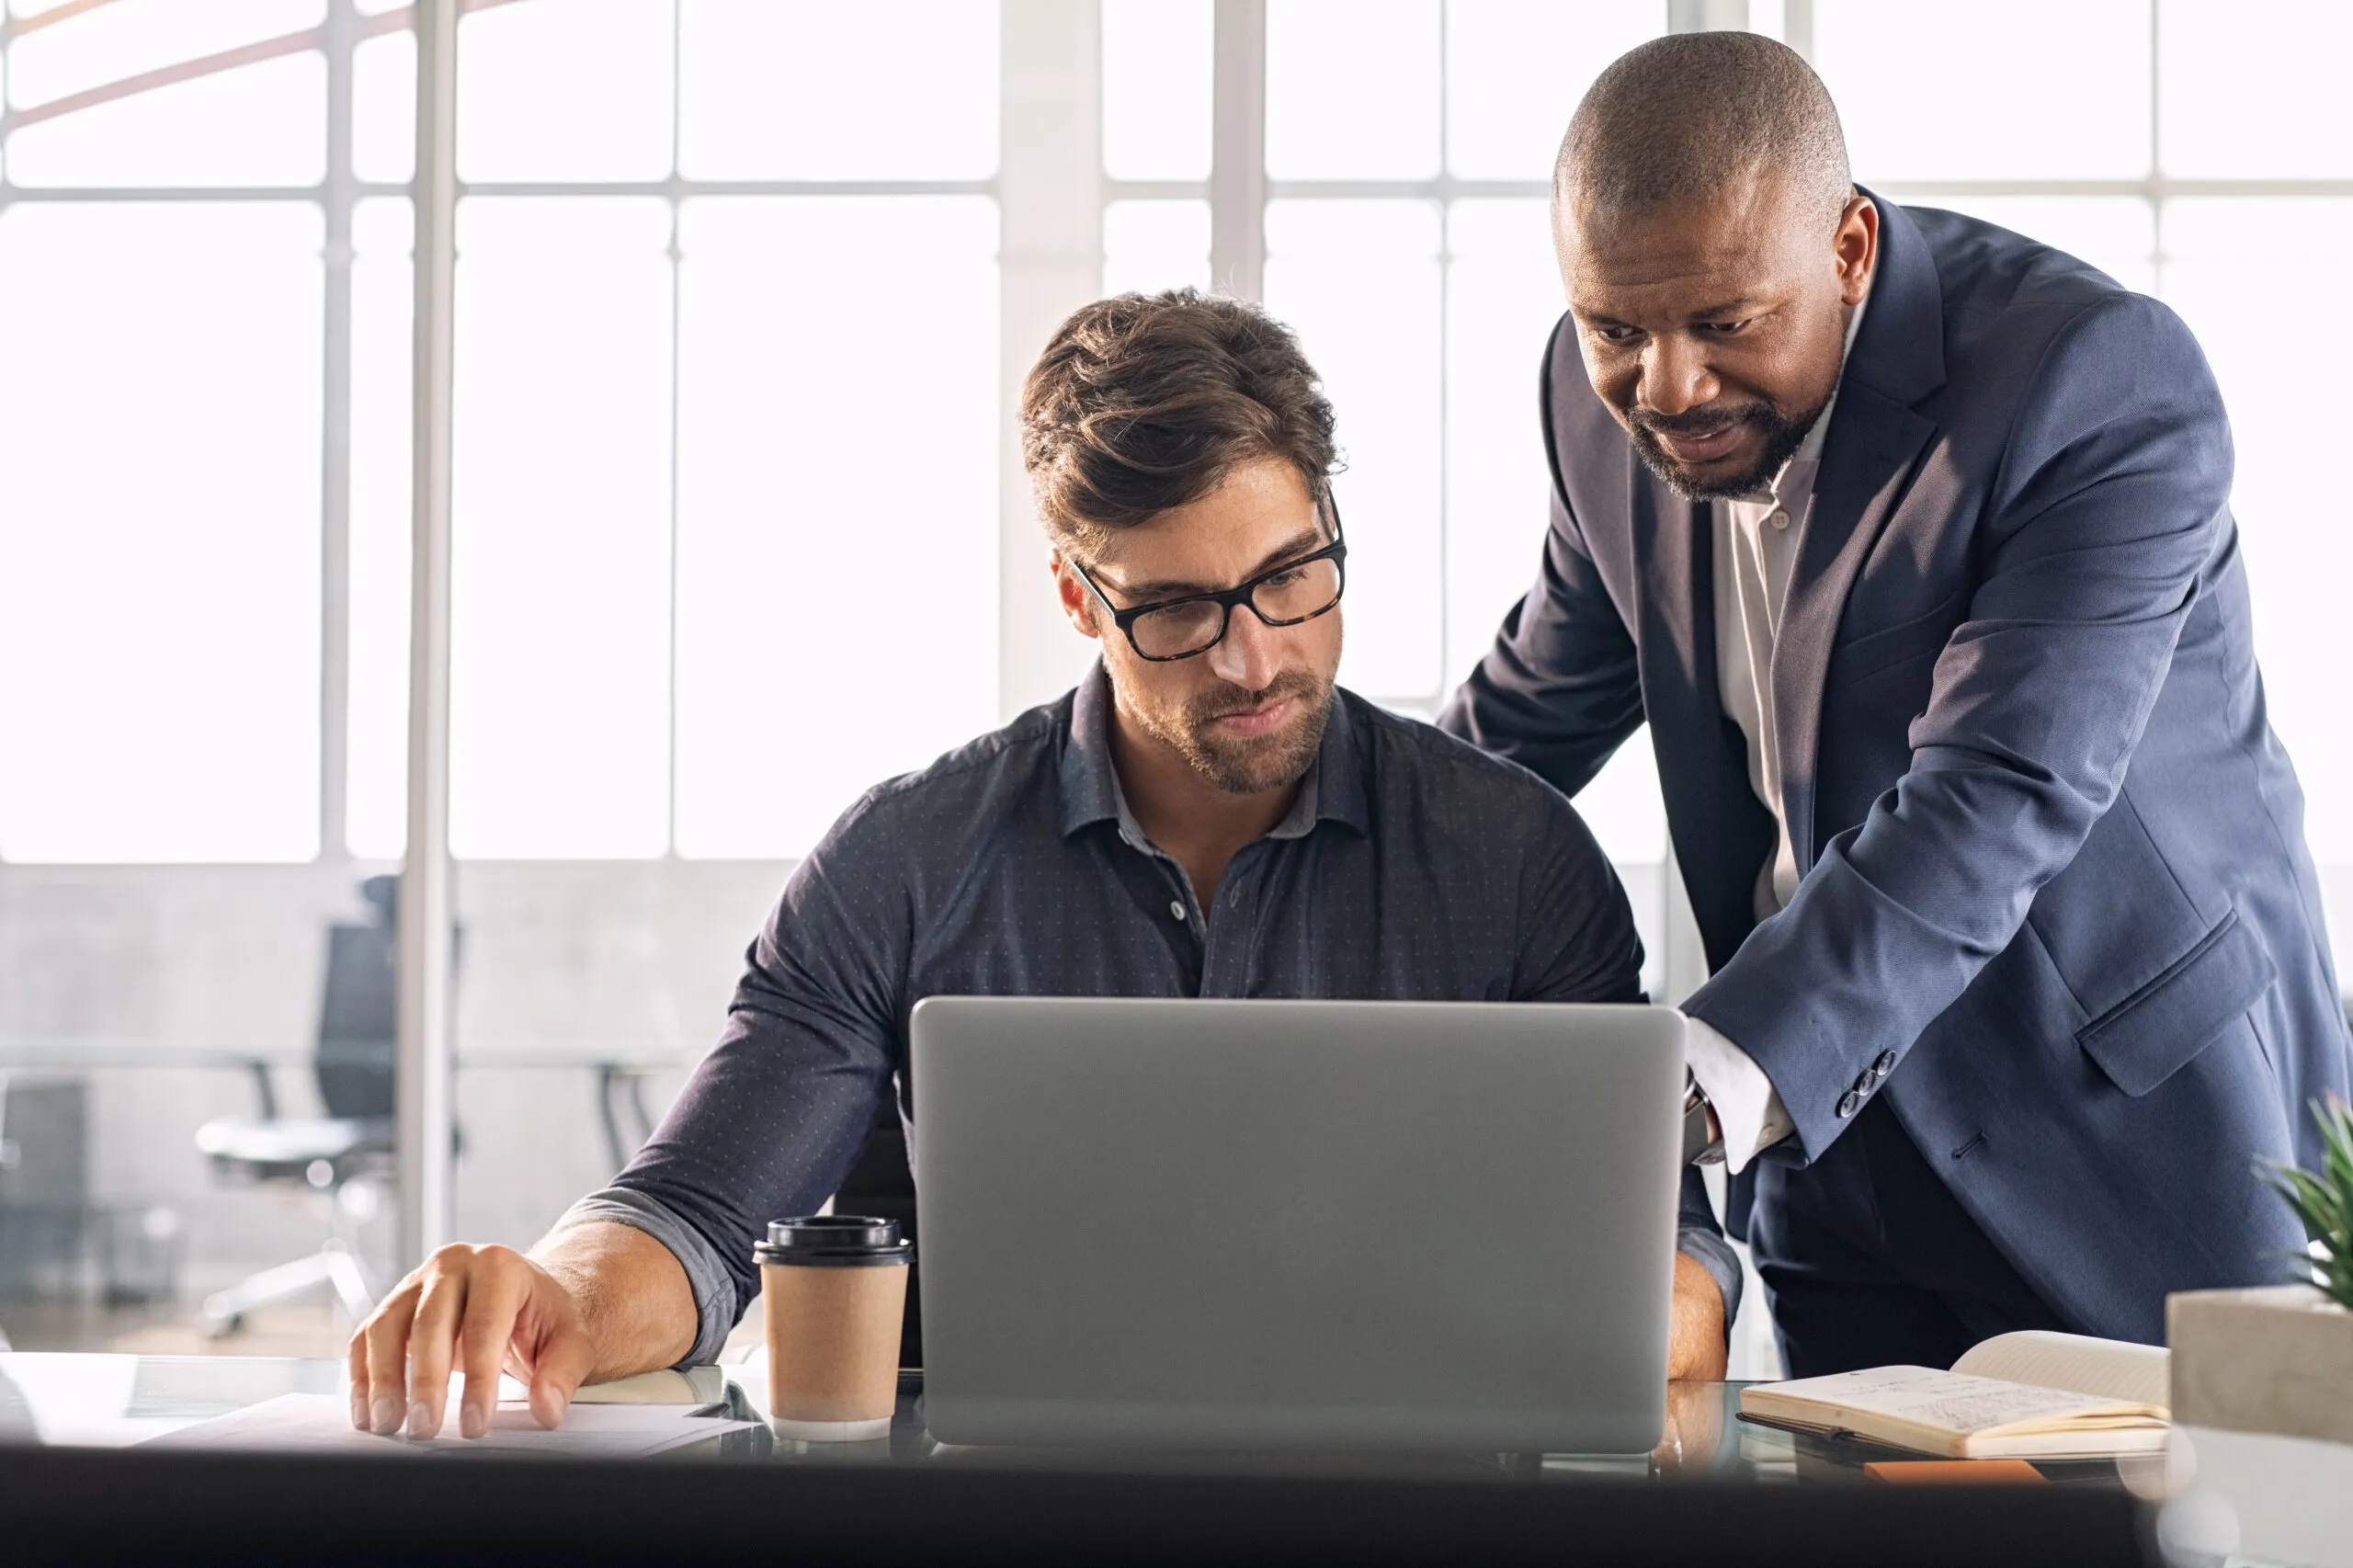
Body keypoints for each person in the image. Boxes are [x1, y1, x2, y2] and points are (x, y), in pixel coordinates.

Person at [349, 290, 1737, 1439]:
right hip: (999, 1513)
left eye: (1292, 576)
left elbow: (1676, 1272)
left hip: (1403, 1514)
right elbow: (700, 1211)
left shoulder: (1516, 860)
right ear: (1080, 594)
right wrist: (562, 1295)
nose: (1258, 656)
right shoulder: (907, 859)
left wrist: (1657, 1297)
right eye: (1182, 609)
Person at [1441, 32, 2351, 1376]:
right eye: (1616, 330)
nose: (1668, 386)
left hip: (2123, 1128)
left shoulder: (2094, 382)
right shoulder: (1595, 413)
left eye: (1725, 324)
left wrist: (1700, 1082)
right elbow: (1516, 732)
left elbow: (1997, 793)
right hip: (1830, 1149)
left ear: (1851, 250)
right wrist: (1302, 850)